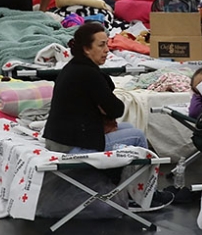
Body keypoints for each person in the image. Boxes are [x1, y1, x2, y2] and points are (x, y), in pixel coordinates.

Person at [43, 23, 147, 153]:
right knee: (138, 136)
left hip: (57, 137)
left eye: (107, 44)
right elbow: (116, 110)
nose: (107, 50)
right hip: (69, 145)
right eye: (101, 45)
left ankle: (114, 172)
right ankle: (141, 173)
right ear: (87, 49)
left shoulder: (72, 67)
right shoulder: (89, 74)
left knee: (128, 127)